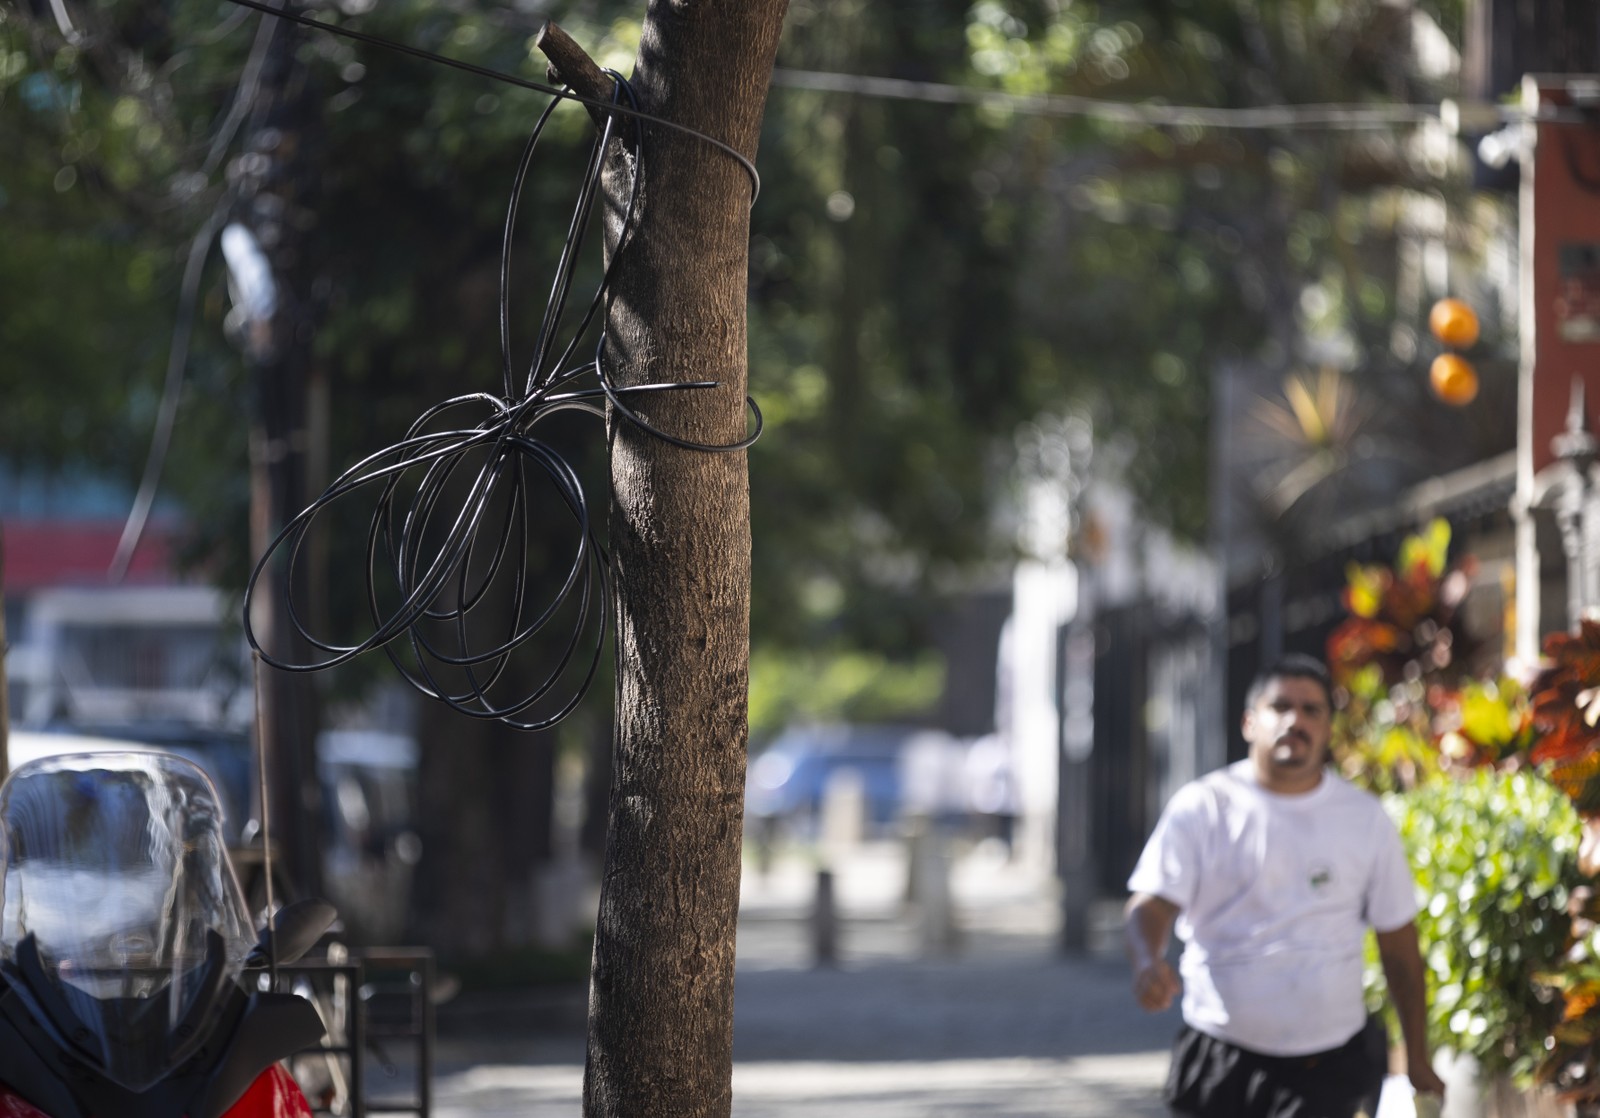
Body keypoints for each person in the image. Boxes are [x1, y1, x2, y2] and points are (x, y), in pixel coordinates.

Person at [1124, 653, 1446, 1118]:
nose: (1295, 719)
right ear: (1249, 722)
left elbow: (1399, 947)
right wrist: (1146, 961)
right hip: (1220, 1059)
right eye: (1280, 706)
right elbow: (1151, 906)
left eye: (1311, 709)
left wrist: (1417, 1055)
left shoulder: (1364, 820)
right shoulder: (1203, 807)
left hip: (1330, 1067)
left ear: (1328, 729)